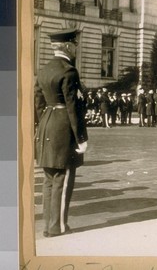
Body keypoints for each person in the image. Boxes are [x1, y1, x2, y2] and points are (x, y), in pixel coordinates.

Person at [34, 28, 88, 237]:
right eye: (74, 45)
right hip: (63, 128)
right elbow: (72, 107)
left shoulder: (44, 69)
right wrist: (81, 138)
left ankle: (49, 225)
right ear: (67, 46)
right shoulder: (68, 71)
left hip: (47, 124)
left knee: (49, 180)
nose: (76, 48)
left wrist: (45, 122)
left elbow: (37, 102)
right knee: (63, 180)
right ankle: (59, 227)